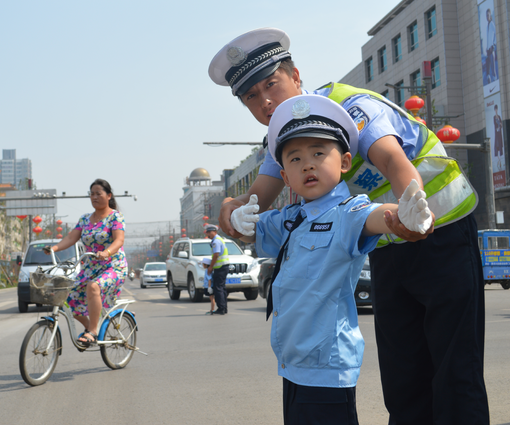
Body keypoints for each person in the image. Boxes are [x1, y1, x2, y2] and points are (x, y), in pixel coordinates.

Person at [209, 28, 488, 424]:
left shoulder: (348, 107)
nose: (265, 101)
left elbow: (392, 161)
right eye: (251, 97)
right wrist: (230, 209)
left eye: (271, 84)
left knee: (455, 372)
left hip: (441, 236)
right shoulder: (283, 141)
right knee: (403, 378)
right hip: (388, 244)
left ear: (296, 76)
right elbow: (255, 201)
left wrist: (412, 204)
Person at [236, 94, 431, 425]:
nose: (307, 164)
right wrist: (237, 220)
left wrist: (404, 215)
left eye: (317, 153)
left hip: (327, 370)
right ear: (285, 177)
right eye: (295, 159)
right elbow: (251, 230)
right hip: (294, 365)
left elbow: (374, 215)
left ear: (343, 162)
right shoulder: (291, 219)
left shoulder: (347, 212)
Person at [45, 179, 127, 346]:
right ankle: (90, 327)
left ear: (109, 196)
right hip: (90, 268)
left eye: (99, 193)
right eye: (92, 194)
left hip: (113, 266)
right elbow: (70, 238)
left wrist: (106, 252)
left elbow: (119, 240)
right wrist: (53, 248)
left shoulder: (115, 217)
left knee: (93, 286)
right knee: (69, 298)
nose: (94, 197)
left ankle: (93, 331)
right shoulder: (84, 220)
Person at [204, 224, 229, 315]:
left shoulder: (216, 242)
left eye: (209, 232)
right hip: (223, 267)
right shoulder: (219, 239)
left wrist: (210, 267)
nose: (208, 234)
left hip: (220, 268)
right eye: (207, 232)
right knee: (222, 288)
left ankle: (221, 308)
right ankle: (224, 308)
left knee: (218, 288)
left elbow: (216, 254)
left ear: (215, 232)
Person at [486, 9, 497, 83]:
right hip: (488, 50)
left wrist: (493, 45)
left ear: (490, 15)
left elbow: (496, 33)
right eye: (486, 16)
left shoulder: (492, 24)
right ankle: (488, 78)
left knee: (493, 69)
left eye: (488, 15)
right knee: (487, 67)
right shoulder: (487, 26)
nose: (487, 17)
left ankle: (495, 81)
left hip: (491, 49)